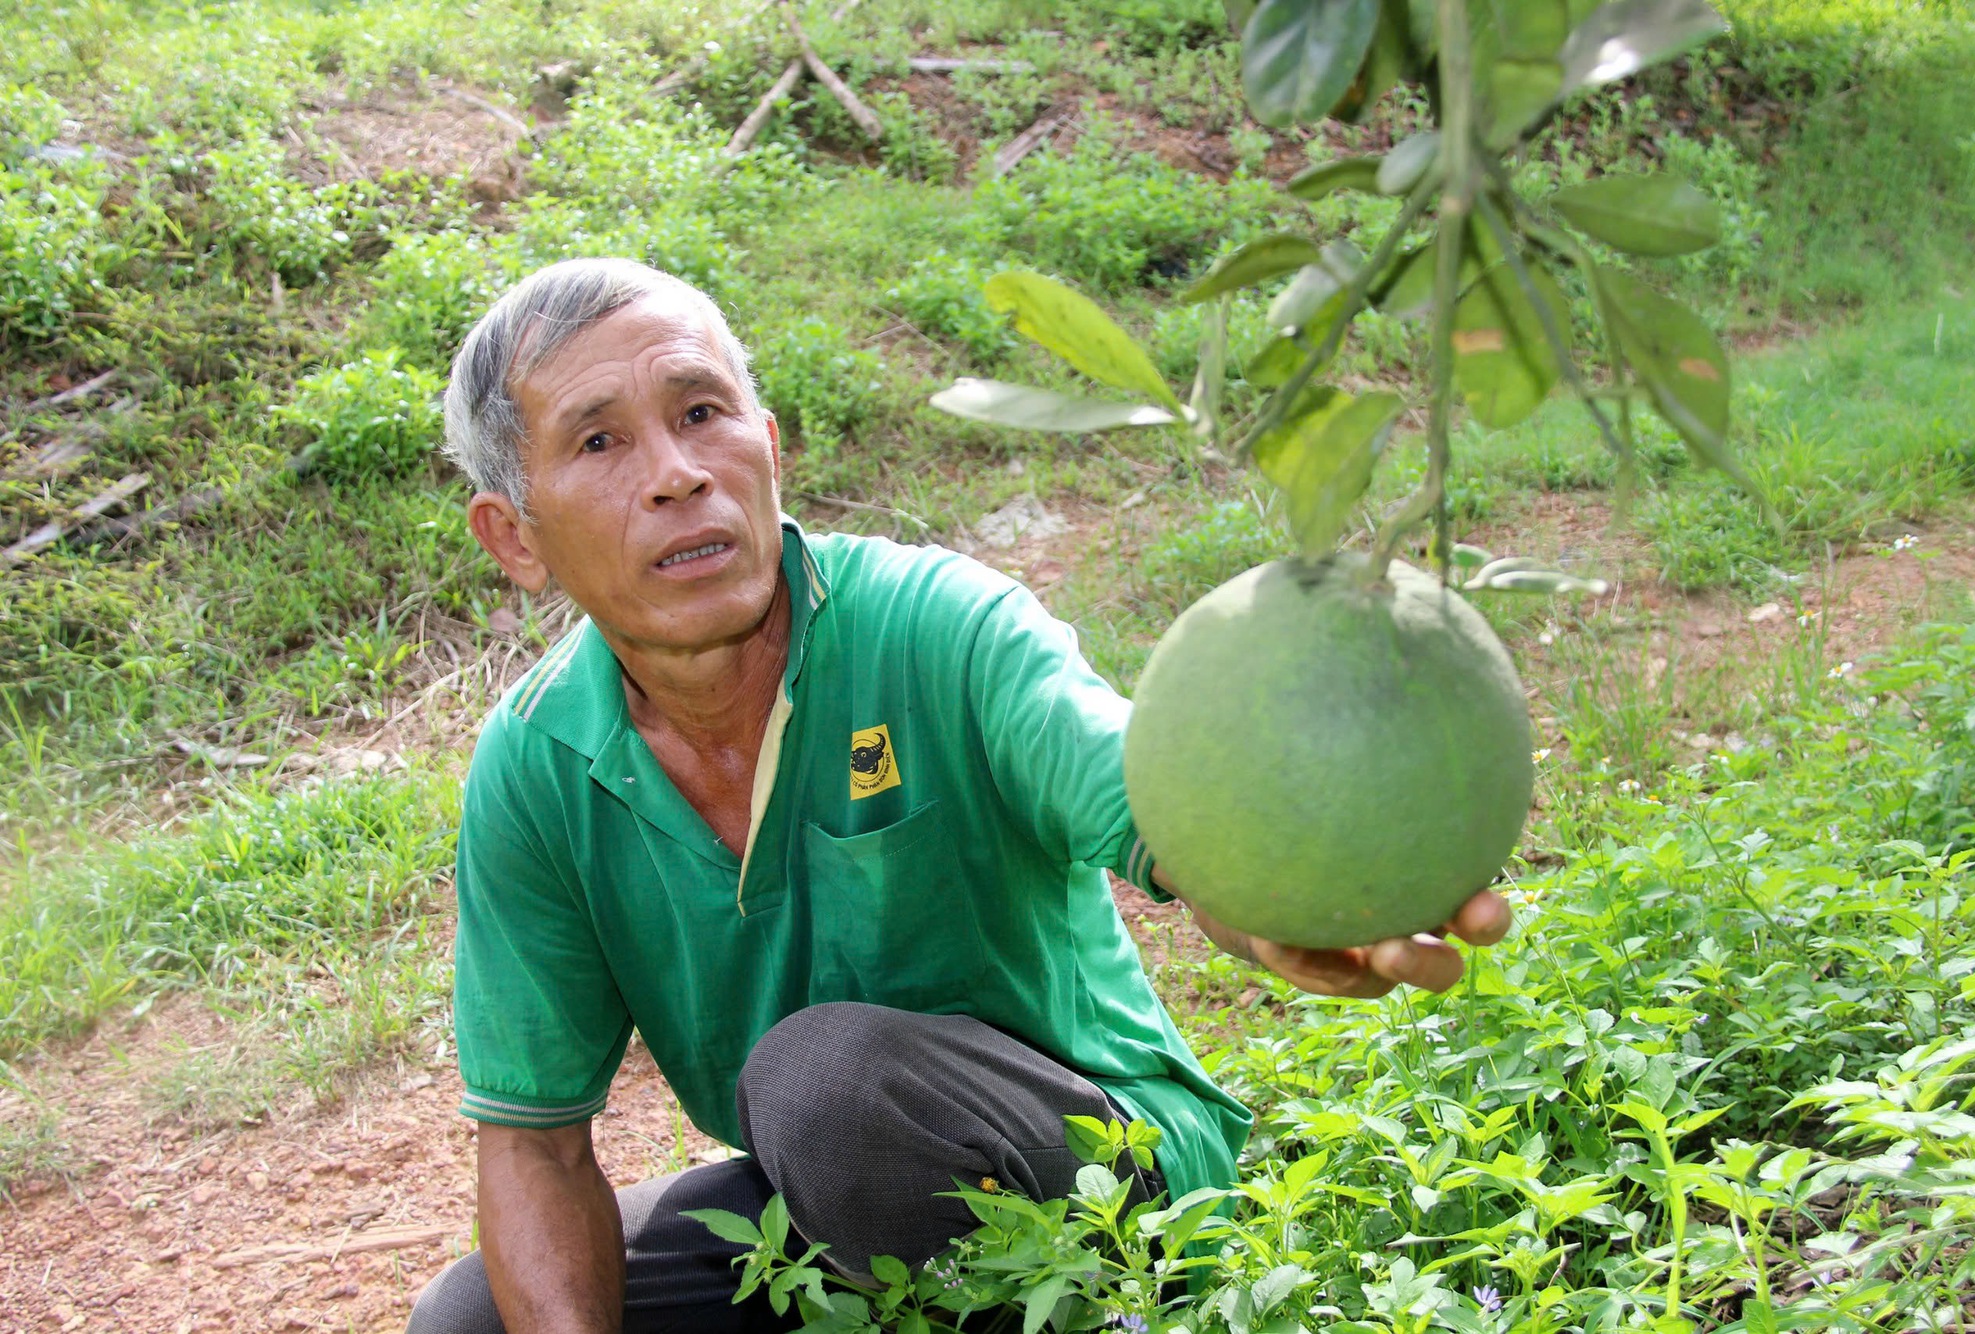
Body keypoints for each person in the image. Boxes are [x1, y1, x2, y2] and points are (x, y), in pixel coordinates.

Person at [406, 258, 1513, 1334]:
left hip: (1108, 1175)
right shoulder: (540, 764)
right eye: (599, 440)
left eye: (701, 412)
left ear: (769, 447)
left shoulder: (942, 625)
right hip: (843, 1189)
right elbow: (534, 1142)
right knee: (472, 1315)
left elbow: (1156, 808)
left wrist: (1290, 897)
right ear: (515, 534)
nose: (676, 471)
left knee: (822, 1084)